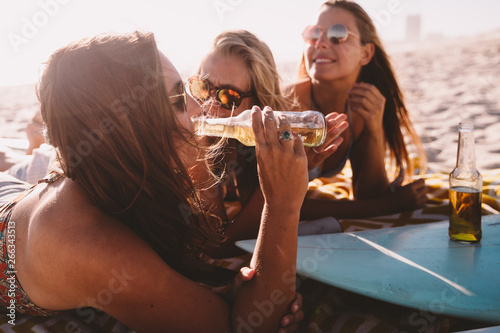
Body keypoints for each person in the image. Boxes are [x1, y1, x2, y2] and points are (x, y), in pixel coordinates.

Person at [0, 30, 306, 332]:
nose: (200, 107)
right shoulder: (93, 246)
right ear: (127, 126)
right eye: (176, 98)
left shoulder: (115, 172)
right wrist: (282, 205)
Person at [189, 30, 348, 257]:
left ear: (256, 102)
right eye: (202, 87)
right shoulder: (196, 143)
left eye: (228, 96)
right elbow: (218, 246)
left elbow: (273, 215)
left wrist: (294, 173)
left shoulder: (256, 142)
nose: (210, 104)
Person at [285, 0, 429, 220]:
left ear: (366, 54)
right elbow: (274, 204)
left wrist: (374, 130)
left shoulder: (361, 108)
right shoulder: (287, 106)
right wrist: (388, 205)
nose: (320, 43)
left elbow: (368, 194)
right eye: (314, 34)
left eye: (338, 34)